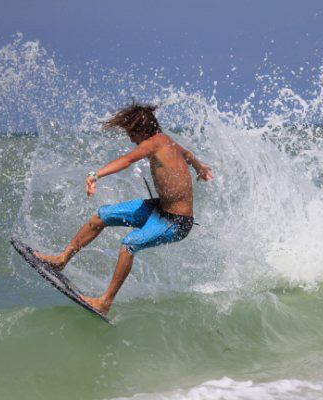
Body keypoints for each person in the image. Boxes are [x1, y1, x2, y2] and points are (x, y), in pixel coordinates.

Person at [34, 103, 213, 314]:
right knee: (102, 215)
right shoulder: (166, 141)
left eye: (131, 134)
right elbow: (188, 154)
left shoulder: (152, 143)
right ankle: (62, 259)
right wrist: (200, 167)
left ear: (141, 130)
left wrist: (95, 175)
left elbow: (127, 160)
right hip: (158, 208)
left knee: (129, 244)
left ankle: (105, 302)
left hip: (176, 222)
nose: (131, 140)